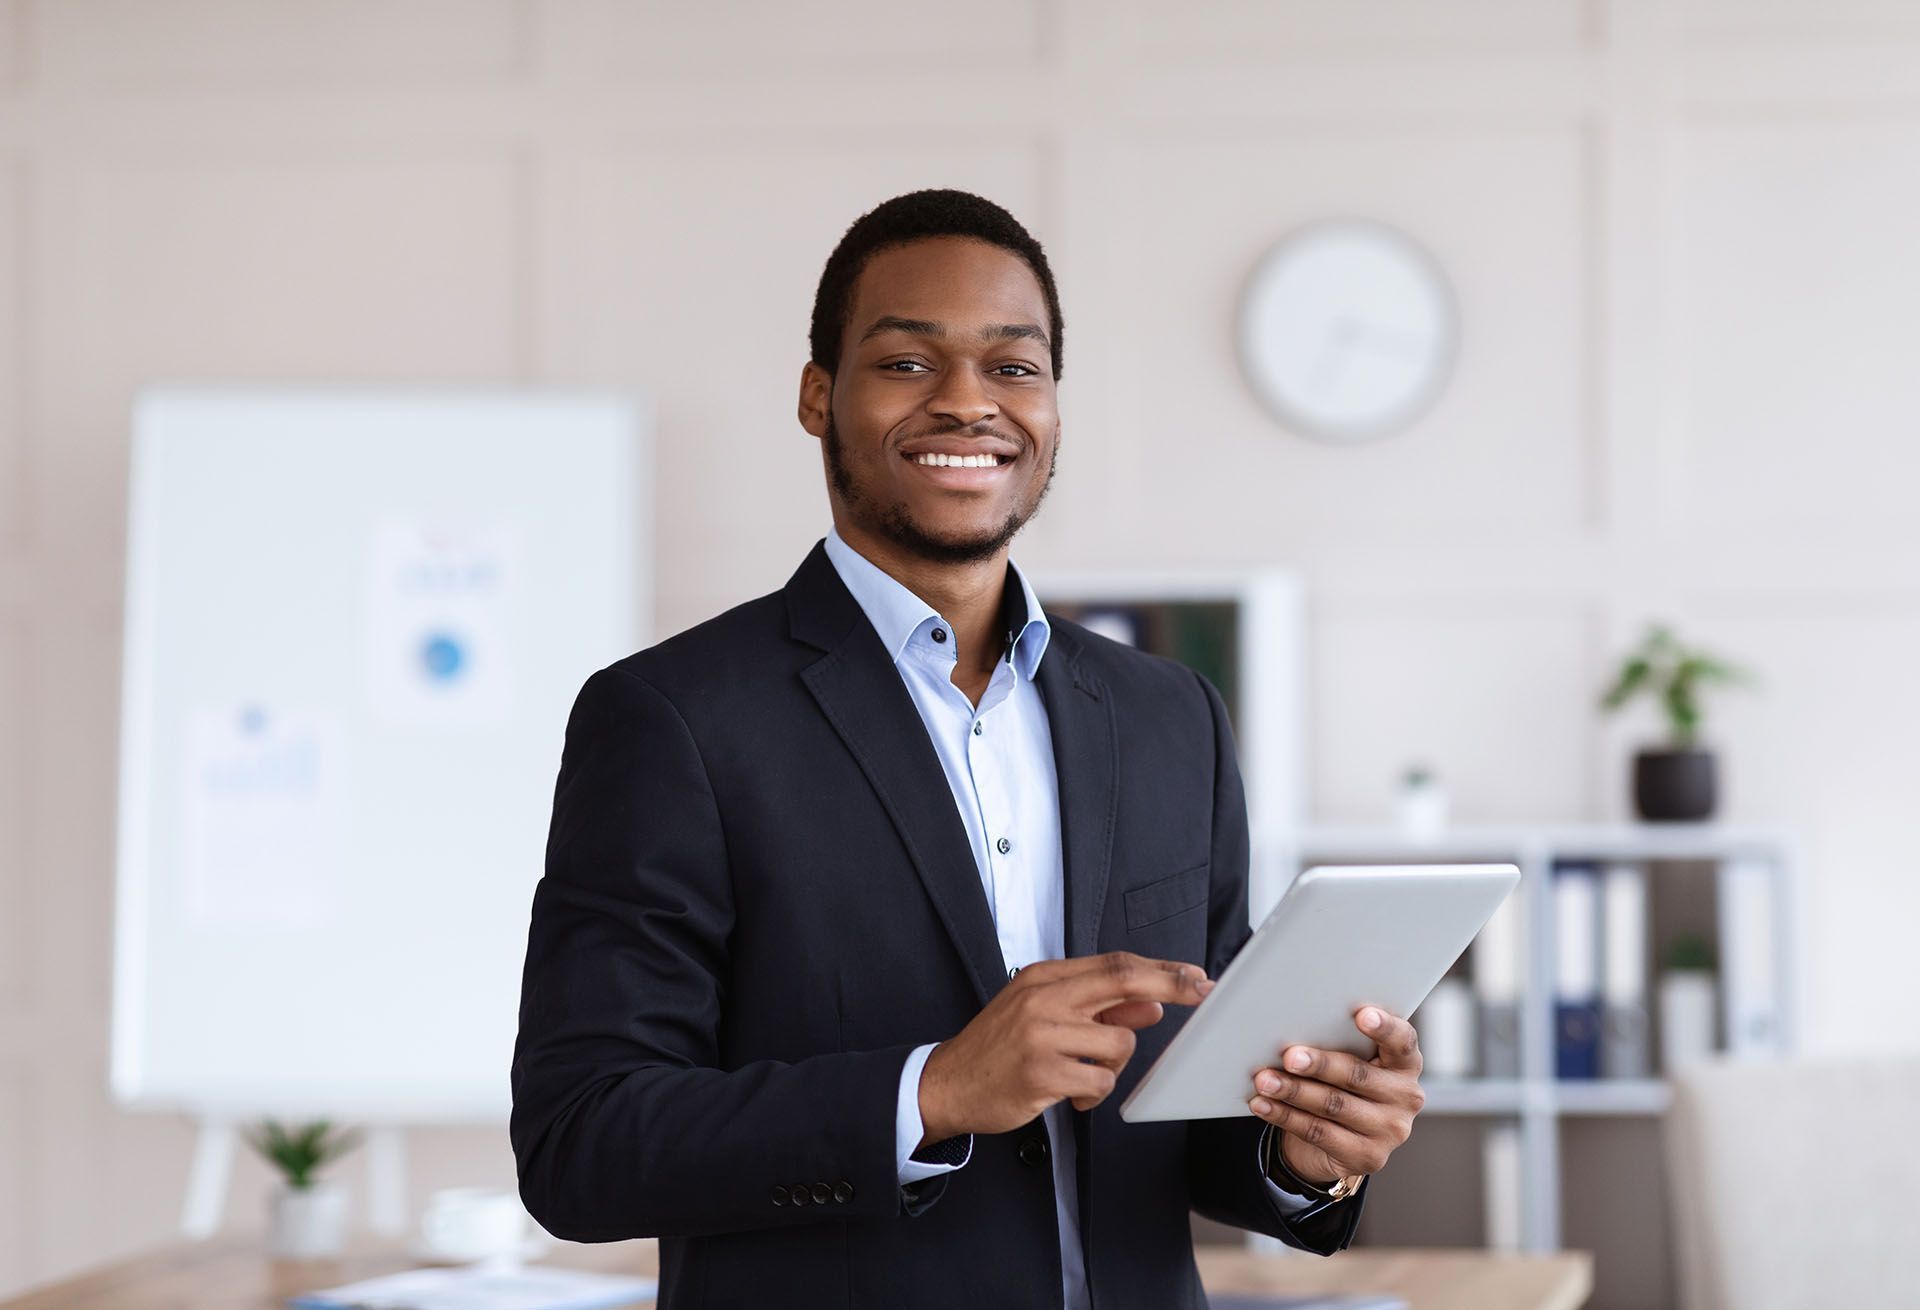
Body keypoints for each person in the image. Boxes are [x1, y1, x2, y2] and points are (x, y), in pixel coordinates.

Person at [510, 189, 1428, 1309]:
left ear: (1050, 404)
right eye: (905, 362)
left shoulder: (1168, 713)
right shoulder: (672, 718)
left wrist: (1307, 1153)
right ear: (817, 396)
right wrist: (932, 1090)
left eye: (1013, 366)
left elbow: (1190, 1117)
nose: (966, 402)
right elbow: (581, 1143)